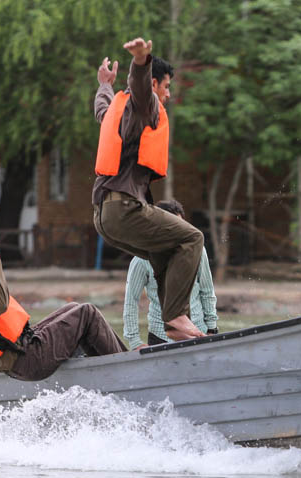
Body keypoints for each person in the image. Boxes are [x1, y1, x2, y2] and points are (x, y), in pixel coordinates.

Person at [92, 37, 205, 342]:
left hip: (105, 215)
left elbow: (102, 110)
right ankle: (176, 319)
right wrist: (141, 62)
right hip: (125, 209)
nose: (167, 95)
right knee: (192, 237)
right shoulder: (145, 104)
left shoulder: (119, 111)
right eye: (166, 87)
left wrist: (104, 85)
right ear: (155, 84)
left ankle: (176, 328)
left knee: (167, 250)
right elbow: (141, 90)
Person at [0, 248, 127, 381]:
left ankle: (100, 368)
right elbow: (0, 303)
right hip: (29, 361)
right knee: (88, 312)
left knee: (74, 308)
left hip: (20, 357)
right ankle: (125, 366)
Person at [123, 199, 219, 349]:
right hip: (160, 337)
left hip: (199, 333)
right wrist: (135, 342)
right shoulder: (142, 258)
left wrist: (212, 329)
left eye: (180, 226)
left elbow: (207, 291)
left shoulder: (197, 251)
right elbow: (131, 300)